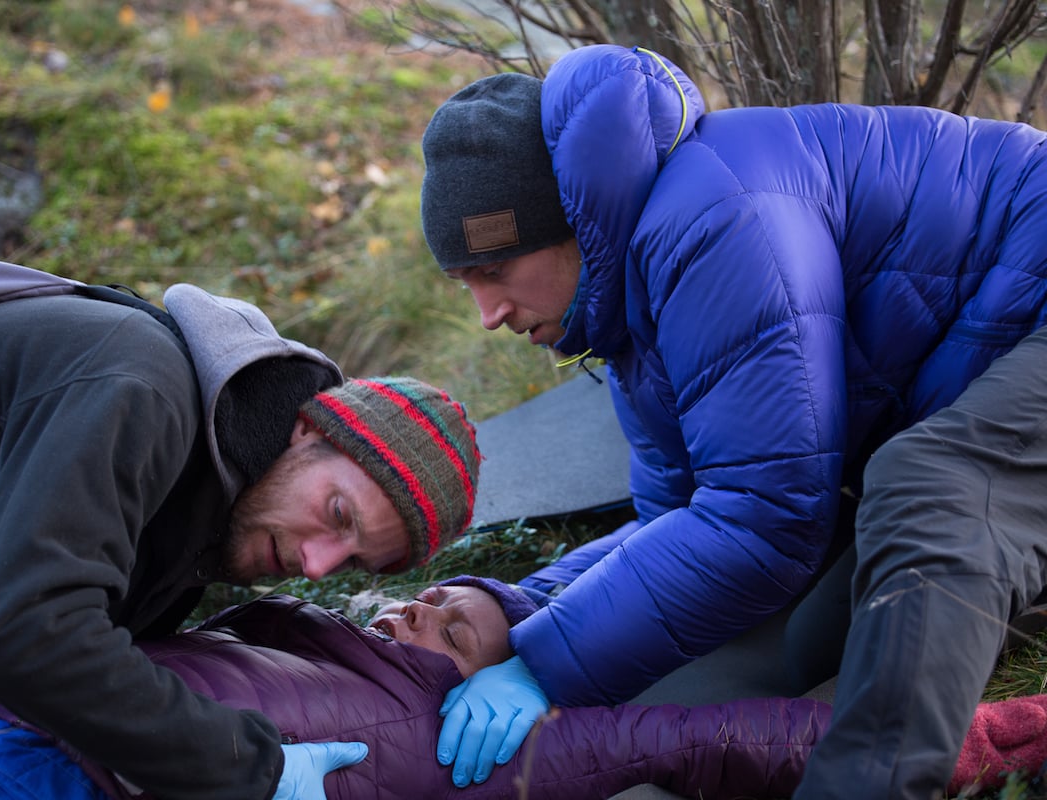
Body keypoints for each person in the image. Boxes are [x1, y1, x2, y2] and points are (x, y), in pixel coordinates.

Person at [417, 42, 1047, 797]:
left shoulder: (714, 217)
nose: (487, 315)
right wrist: (519, 606)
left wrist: (544, 663)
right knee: (809, 622)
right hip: (997, 376)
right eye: (464, 284)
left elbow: (766, 522)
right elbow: (681, 521)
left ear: (574, 227)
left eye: (496, 271)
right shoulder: (626, 314)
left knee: (931, 488)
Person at [0, 242, 482, 800]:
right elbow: (22, 635)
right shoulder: (139, 387)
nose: (316, 565)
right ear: (307, 429)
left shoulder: (208, 524)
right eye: (337, 513)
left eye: (352, 562)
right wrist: (253, 769)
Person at [0, 576, 1042, 800]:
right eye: (422, 597)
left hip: (50, 775)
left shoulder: (486, 741)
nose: (417, 608)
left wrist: (975, 730)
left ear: (504, 668)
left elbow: (718, 735)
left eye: (455, 620)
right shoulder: (311, 631)